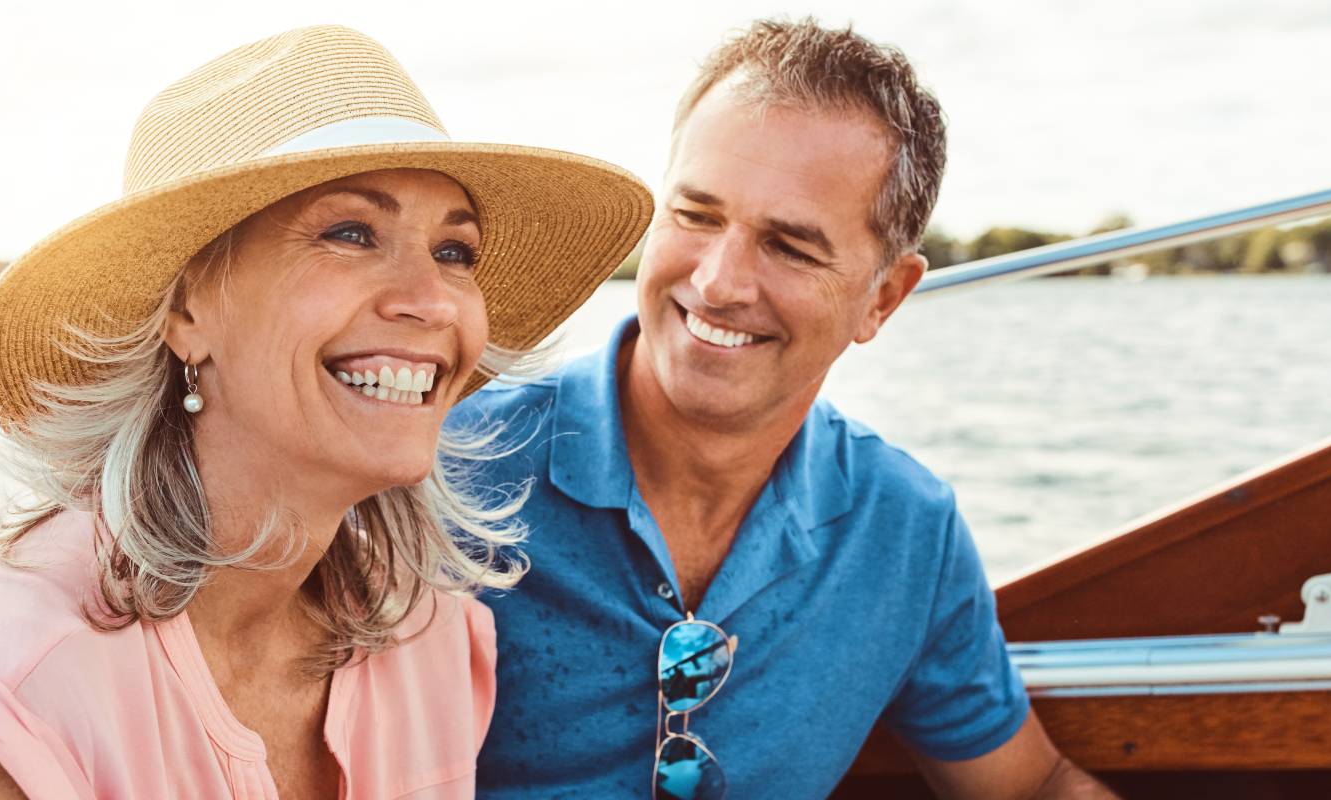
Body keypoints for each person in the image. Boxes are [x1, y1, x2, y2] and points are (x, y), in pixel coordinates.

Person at [0, 25, 651, 799]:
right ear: (185, 310)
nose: (431, 301)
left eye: (454, 251)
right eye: (350, 233)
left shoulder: (429, 638)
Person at [453, 19, 1115, 799]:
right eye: (696, 216)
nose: (720, 281)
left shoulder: (903, 528)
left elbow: (1031, 787)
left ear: (884, 298)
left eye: (791, 246)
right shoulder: (448, 468)